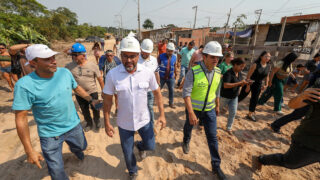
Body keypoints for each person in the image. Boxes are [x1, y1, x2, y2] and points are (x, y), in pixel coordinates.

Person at [12, 44, 99, 180]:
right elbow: (21, 118)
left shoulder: (64, 73)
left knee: (82, 146)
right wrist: (29, 150)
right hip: (50, 135)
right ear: (34, 62)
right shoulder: (24, 85)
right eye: (47, 59)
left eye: (53, 57)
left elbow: (76, 88)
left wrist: (90, 100)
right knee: (56, 172)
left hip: (73, 126)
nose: (54, 61)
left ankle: (76, 150)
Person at [102, 35, 166, 179]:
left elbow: (157, 93)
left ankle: (140, 145)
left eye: (133, 56)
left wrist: (162, 114)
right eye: (125, 56)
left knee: (150, 145)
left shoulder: (147, 72)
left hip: (144, 120)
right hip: (124, 123)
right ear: (120, 55)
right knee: (127, 151)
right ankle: (132, 170)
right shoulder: (113, 75)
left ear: (138, 55)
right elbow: (107, 101)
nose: (129, 60)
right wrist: (106, 122)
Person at [182, 41, 227, 180]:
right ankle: (186, 140)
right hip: (194, 109)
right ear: (205, 56)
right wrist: (190, 113)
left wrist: (217, 105)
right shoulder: (194, 71)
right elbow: (186, 93)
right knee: (189, 126)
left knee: (212, 137)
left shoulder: (218, 71)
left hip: (210, 110)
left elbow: (217, 90)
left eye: (217, 58)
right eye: (213, 57)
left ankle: (216, 165)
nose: (216, 60)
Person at [257, 83, 320, 170]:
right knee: (290, 162)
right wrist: (301, 96)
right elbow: (291, 104)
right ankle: (262, 159)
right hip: (310, 141)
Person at [270, 64, 320, 133]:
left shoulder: (315, 74)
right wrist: (301, 93)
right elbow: (308, 84)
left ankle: (276, 124)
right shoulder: (317, 76)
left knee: (296, 115)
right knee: (295, 115)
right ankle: (275, 125)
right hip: (310, 99)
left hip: (310, 98)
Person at [66, 43, 104, 131]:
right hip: (79, 94)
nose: (73, 57)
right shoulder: (69, 67)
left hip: (92, 91)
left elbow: (100, 79)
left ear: (83, 55)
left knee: (95, 108)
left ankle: (97, 120)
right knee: (84, 110)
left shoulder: (92, 66)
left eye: (76, 55)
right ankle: (89, 123)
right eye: (72, 54)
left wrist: (104, 91)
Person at [238, 51, 272, 121]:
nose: (267, 58)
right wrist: (248, 85)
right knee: (242, 96)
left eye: (269, 56)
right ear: (261, 57)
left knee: (255, 99)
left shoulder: (269, 66)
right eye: (266, 56)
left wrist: (266, 84)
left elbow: (267, 76)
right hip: (250, 82)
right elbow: (248, 76)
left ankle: (250, 114)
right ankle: (231, 105)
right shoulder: (255, 65)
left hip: (258, 84)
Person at [220, 58, 248, 133]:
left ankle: (229, 127)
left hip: (234, 97)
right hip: (224, 97)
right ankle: (204, 121)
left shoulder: (239, 73)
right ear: (235, 65)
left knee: (233, 112)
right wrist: (239, 83)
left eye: (243, 67)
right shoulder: (228, 73)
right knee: (216, 111)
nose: (242, 68)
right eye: (241, 66)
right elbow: (226, 85)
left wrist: (244, 84)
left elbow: (239, 83)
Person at [139, 39, 160, 125]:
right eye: (144, 52)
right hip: (138, 90)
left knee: (150, 107)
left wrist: (158, 85)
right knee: (139, 108)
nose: (146, 54)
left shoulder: (154, 60)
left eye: (148, 52)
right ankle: (139, 124)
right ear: (141, 49)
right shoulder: (136, 59)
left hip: (149, 90)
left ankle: (151, 125)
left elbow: (156, 72)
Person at [158, 42, 178, 108]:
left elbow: (175, 65)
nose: (170, 52)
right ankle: (154, 102)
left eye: (171, 51)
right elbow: (156, 66)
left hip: (170, 77)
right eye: (169, 51)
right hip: (161, 77)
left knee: (171, 90)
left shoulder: (174, 57)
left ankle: (171, 103)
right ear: (166, 50)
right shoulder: (160, 56)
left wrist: (176, 73)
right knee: (158, 89)